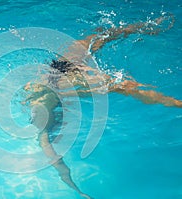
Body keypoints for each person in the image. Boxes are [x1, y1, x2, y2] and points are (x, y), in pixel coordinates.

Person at [23, 14, 181, 199]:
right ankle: (151, 24)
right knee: (99, 37)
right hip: (56, 67)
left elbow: (54, 158)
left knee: (123, 87)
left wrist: (76, 189)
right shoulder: (33, 89)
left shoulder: (42, 115)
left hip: (64, 81)